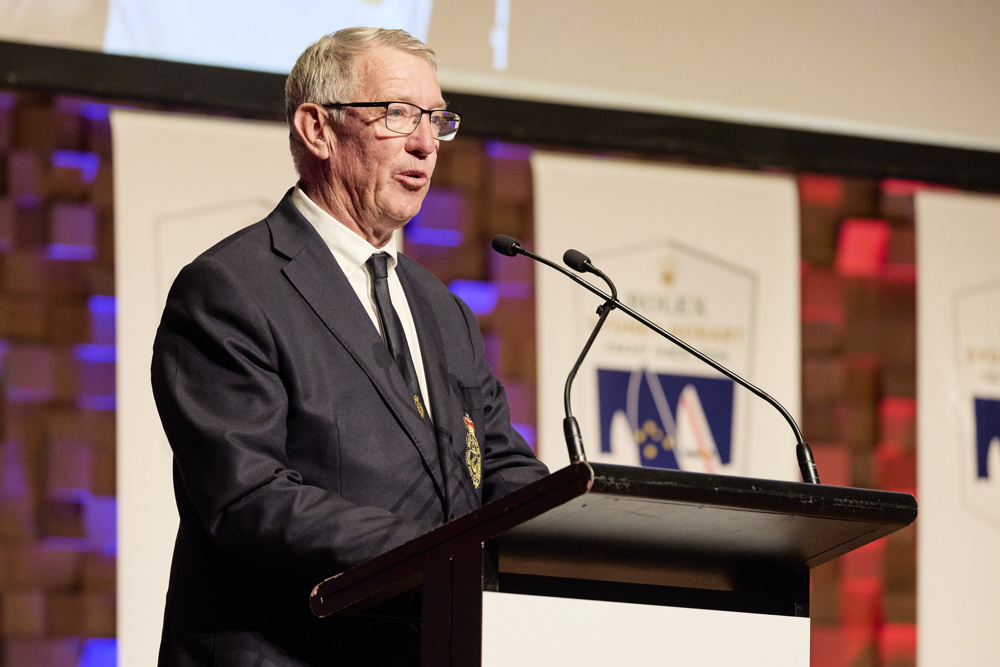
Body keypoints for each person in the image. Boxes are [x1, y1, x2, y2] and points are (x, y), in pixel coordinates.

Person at [150, 27, 549, 666]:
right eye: (397, 115)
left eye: (437, 120)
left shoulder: (440, 309)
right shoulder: (230, 289)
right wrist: (442, 554)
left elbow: (497, 462)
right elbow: (248, 497)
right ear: (317, 129)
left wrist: (559, 535)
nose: (425, 141)